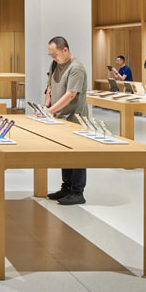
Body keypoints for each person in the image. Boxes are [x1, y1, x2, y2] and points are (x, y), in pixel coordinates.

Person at [44, 36, 89, 205]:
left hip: (75, 118)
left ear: (65, 50)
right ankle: (66, 187)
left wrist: (49, 111)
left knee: (77, 154)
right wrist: (45, 107)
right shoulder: (55, 64)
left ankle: (78, 191)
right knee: (65, 152)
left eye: (55, 54)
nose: (54, 58)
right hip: (60, 118)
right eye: (51, 55)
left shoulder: (76, 68)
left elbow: (71, 94)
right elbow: (49, 87)